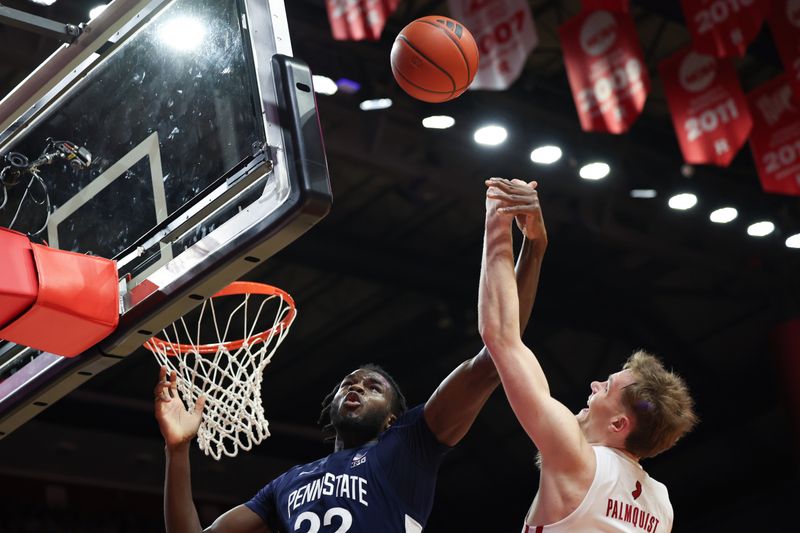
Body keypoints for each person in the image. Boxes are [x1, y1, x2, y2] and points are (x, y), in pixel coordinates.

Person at [154, 178, 548, 533]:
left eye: (373, 386)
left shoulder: (411, 444)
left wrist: (533, 247)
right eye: (348, 383)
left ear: (393, 417)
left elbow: (493, 357)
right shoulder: (287, 484)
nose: (355, 386)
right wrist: (177, 450)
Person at [478, 179, 698, 533]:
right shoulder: (662, 506)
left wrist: (497, 218)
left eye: (607, 387)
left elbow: (501, 335)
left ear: (618, 425)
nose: (594, 385)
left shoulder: (577, 458)